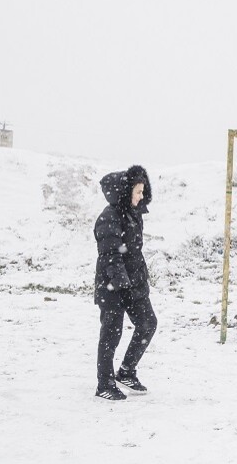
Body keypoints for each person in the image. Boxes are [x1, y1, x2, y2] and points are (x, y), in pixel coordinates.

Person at [93, 165, 158, 400]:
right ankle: (104, 384)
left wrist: (138, 282)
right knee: (111, 334)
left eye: (143, 192)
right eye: (138, 192)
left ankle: (127, 371)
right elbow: (111, 255)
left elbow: (133, 253)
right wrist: (122, 286)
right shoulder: (108, 217)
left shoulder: (133, 213)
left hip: (133, 284)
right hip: (112, 287)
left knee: (148, 323)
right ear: (125, 191)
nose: (141, 197)